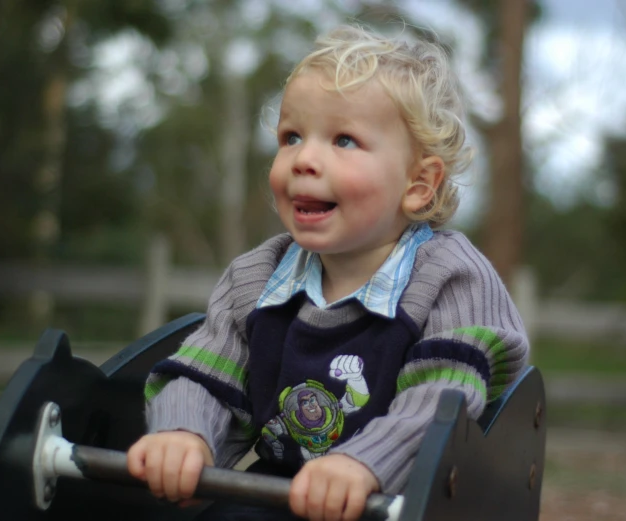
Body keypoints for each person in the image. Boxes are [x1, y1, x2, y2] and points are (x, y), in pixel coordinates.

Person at [127, 23, 529, 521]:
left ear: (419, 184)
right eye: (291, 136)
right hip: (283, 489)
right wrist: (183, 434)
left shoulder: (450, 278)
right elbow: (207, 374)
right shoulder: (256, 278)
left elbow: (441, 400)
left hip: (402, 498)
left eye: (344, 140)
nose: (305, 159)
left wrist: (362, 464)